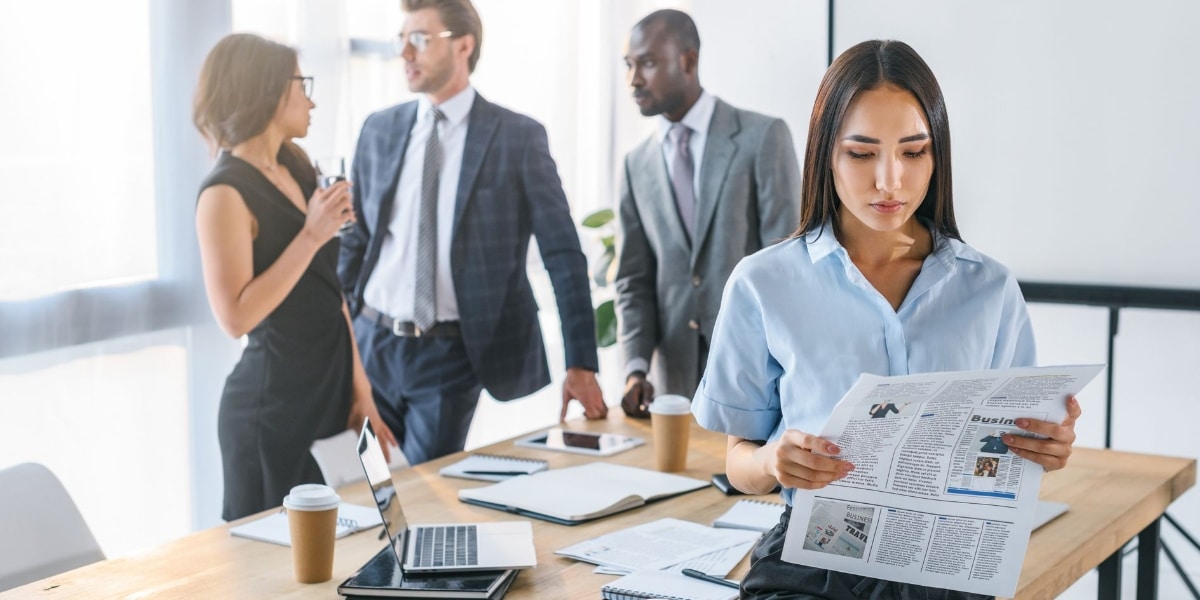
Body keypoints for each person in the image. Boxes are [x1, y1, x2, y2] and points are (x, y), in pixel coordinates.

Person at [691, 40, 1082, 599]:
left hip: (945, 562)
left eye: (913, 152)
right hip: (814, 561)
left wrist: (1047, 448)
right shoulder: (763, 283)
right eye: (862, 153)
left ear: (936, 155)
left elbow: (1007, 450)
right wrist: (775, 462)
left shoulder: (988, 289)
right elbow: (738, 463)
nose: (889, 181)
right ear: (826, 153)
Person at [339, 0, 605, 466]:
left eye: (419, 39)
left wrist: (580, 362)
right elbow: (355, 243)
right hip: (371, 343)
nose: (405, 52)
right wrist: (338, 338)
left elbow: (562, 253)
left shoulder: (518, 138)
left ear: (464, 45)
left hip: (451, 354)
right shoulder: (379, 130)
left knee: (424, 492)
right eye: (401, 40)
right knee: (361, 490)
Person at [193, 33, 397, 521]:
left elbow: (333, 296)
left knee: (353, 541)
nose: (312, 99)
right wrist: (311, 235)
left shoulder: (298, 165)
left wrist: (361, 393)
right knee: (273, 572)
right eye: (301, 84)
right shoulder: (223, 192)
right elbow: (235, 317)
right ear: (264, 89)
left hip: (329, 393)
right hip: (272, 409)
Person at [616, 9, 801, 418]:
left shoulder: (762, 137)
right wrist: (635, 369)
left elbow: (788, 262)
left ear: (688, 60)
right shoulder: (635, 165)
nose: (633, 79)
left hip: (757, 375)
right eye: (629, 65)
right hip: (673, 389)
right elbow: (634, 279)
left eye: (647, 62)